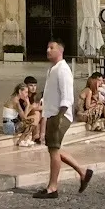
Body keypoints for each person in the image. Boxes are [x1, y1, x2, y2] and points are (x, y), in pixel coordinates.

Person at [34, 39, 93, 199]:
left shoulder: (62, 70)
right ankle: (83, 172)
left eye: (51, 47)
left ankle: (53, 187)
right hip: (52, 114)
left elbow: (67, 95)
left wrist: (60, 116)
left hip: (58, 115)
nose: (48, 50)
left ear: (60, 50)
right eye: (47, 47)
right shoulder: (53, 69)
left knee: (53, 151)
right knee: (55, 149)